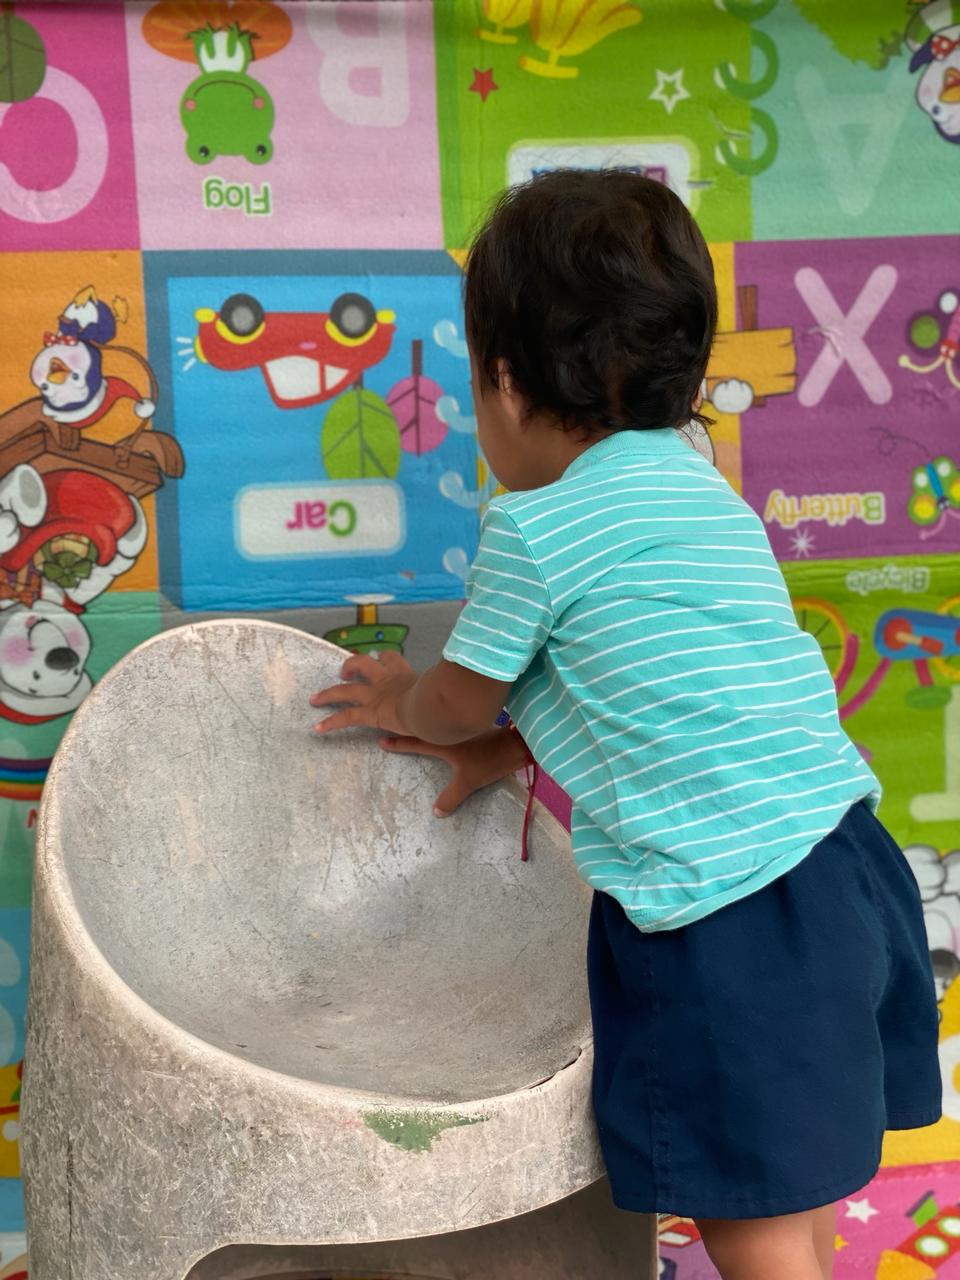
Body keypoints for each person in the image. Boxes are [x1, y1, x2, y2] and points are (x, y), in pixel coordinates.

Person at [310, 169, 941, 1280]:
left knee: (745, 1216)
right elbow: (660, 688)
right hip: (847, 870)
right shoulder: (705, 491)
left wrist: (403, 698)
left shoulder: (537, 528)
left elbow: (458, 695)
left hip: (728, 913)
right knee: (791, 1178)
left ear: (507, 384)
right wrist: (512, 749)